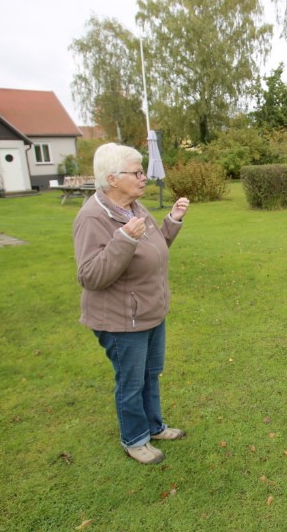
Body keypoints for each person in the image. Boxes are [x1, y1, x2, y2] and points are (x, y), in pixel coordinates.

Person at [73, 142, 190, 465]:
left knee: (151, 373)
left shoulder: (134, 208)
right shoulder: (92, 217)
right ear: (112, 178)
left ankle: (153, 426)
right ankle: (135, 439)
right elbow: (90, 276)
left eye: (142, 171)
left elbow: (155, 247)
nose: (143, 177)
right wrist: (123, 240)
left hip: (150, 312)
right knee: (131, 381)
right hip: (122, 320)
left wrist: (173, 220)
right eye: (136, 172)